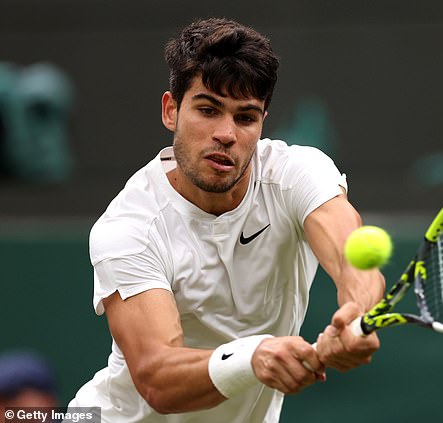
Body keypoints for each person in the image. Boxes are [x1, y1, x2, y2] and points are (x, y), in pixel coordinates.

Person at [68, 17, 385, 422]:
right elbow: (157, 378)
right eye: (207, 109)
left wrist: (356, 312)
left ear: (262, 123)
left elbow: (351, 255)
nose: (226, 134)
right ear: (171, 110)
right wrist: (252, 357)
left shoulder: (295, 174)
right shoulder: (130, 228)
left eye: (245, 117)